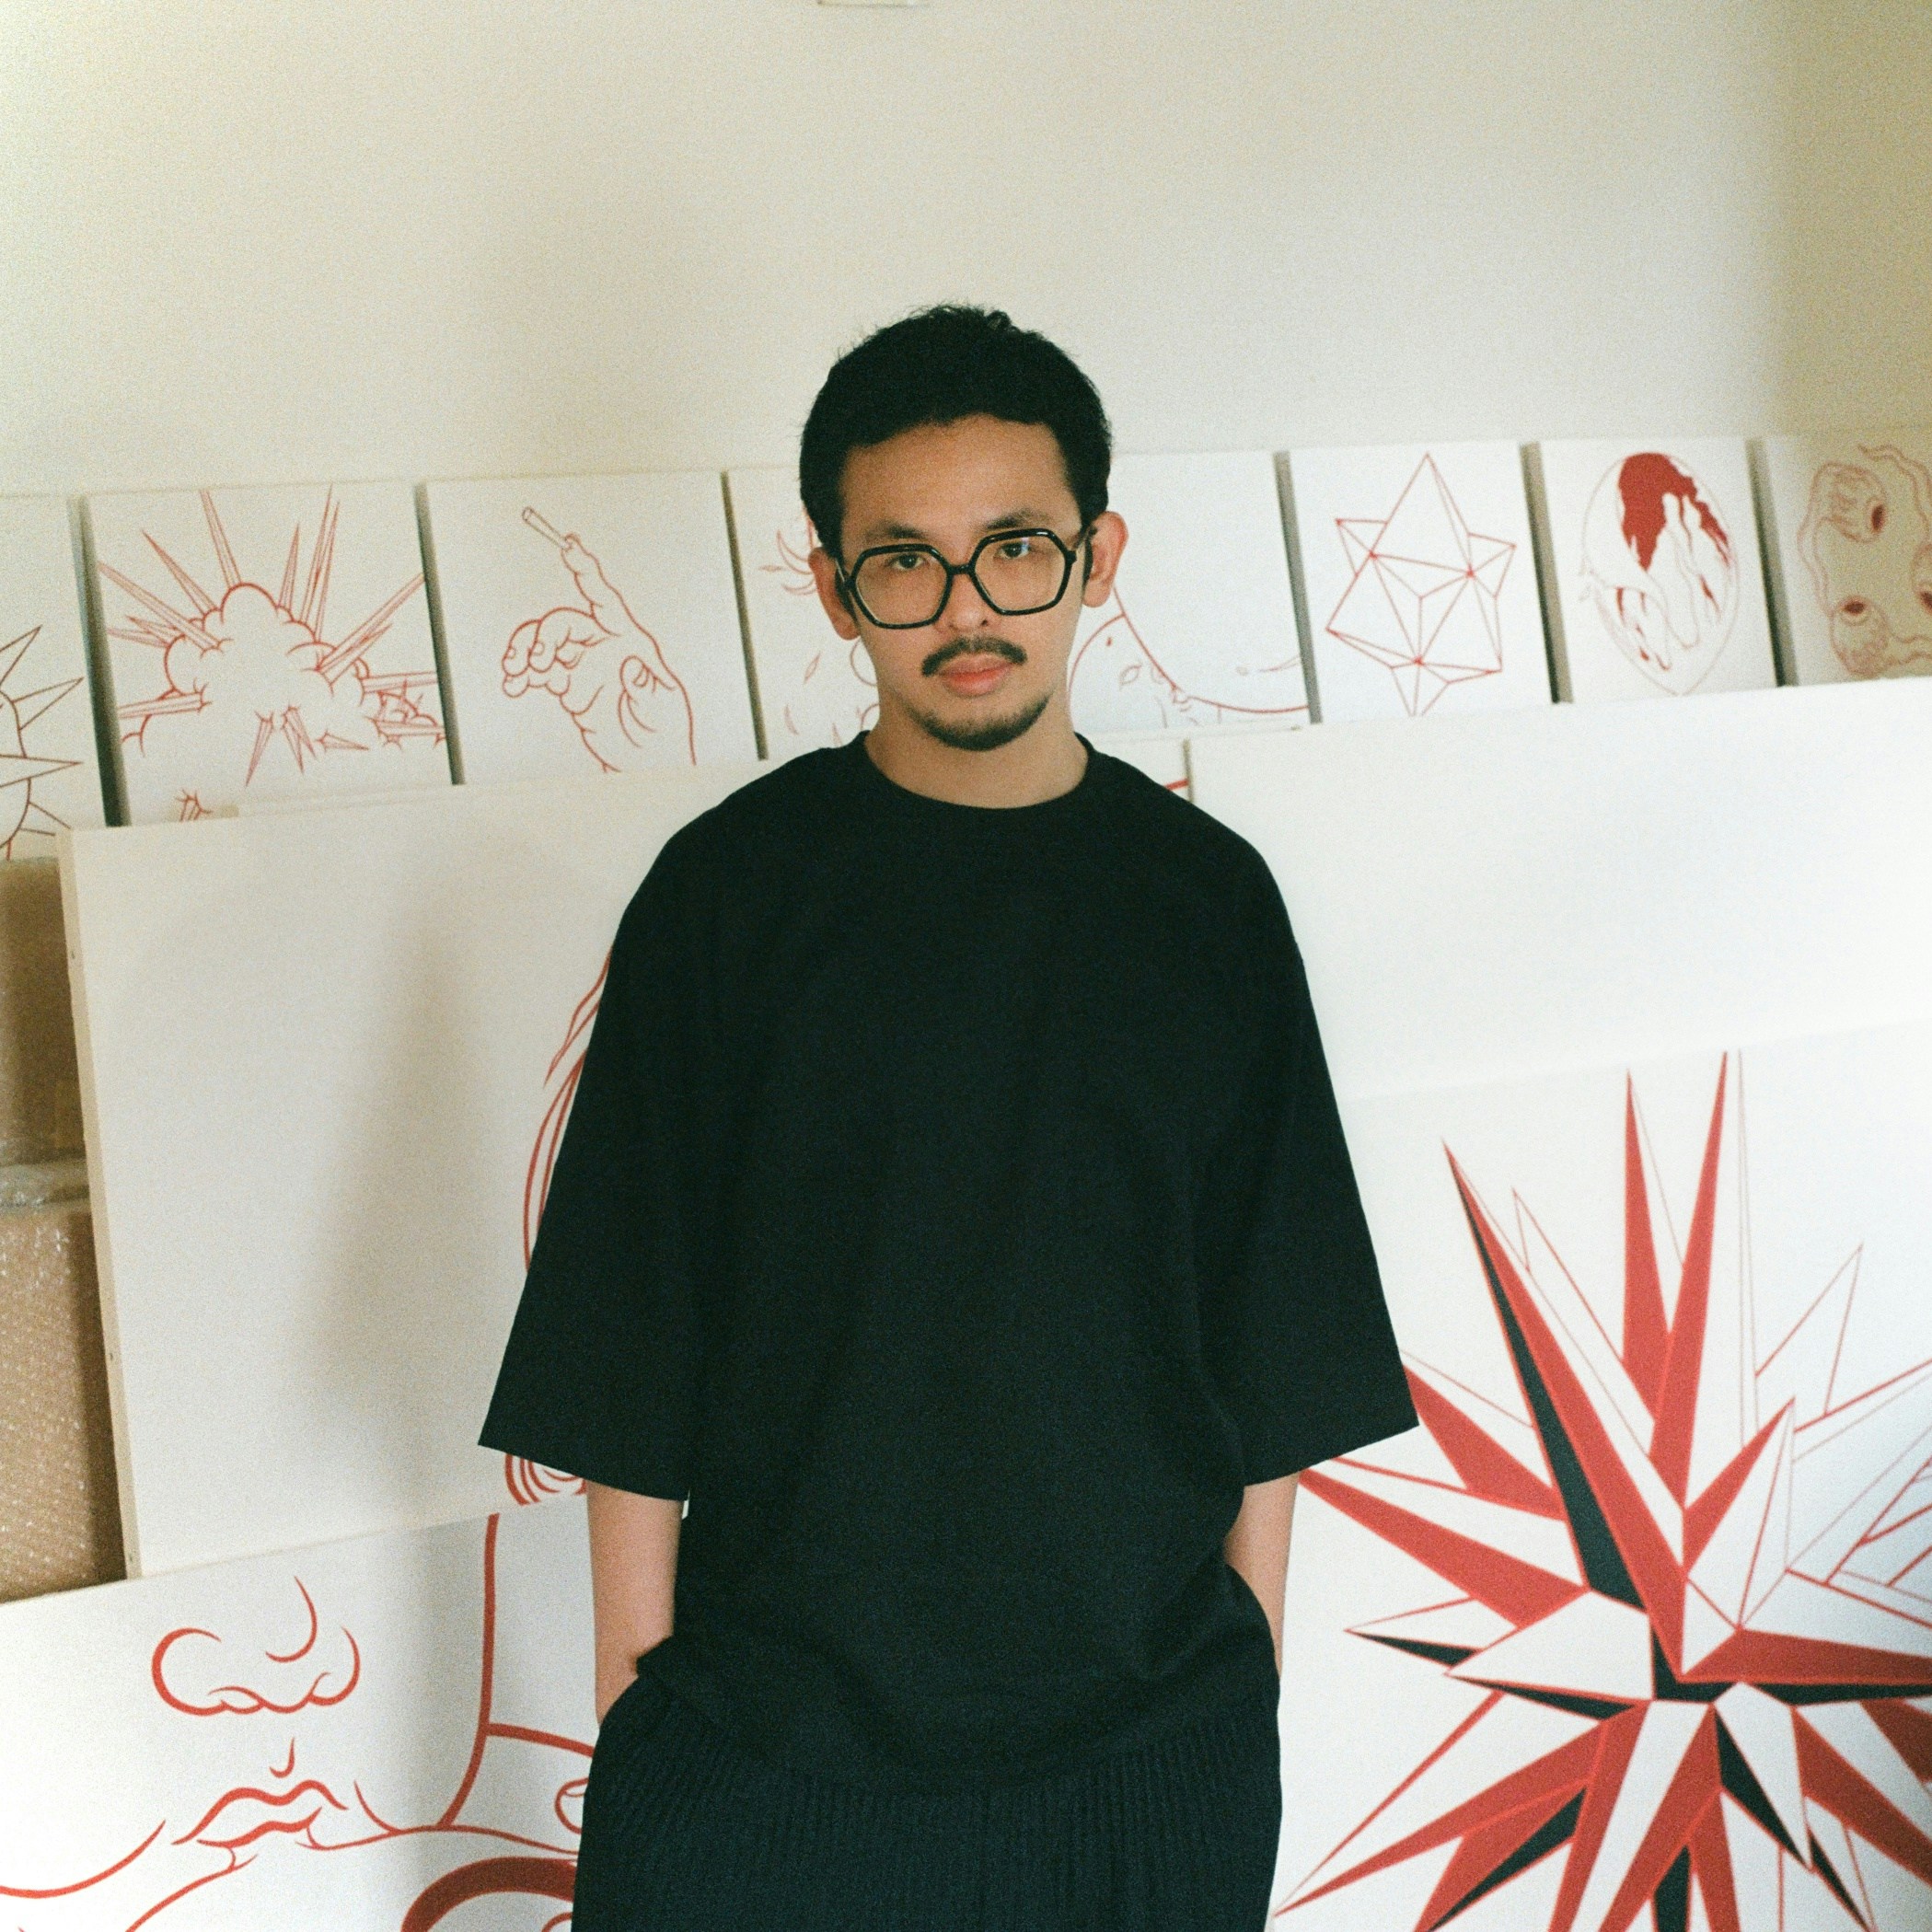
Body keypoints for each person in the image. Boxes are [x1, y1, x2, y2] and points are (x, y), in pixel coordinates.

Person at [480, 305, 1416, 1930]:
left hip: (1146, 1765)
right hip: (762, 1762)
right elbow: (628, 1337)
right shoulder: (727, 896)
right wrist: (645, 1711)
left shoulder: (1207, 905)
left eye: (1016, 550)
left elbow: (1275, 1337)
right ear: (836, 586)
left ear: (1098, 557)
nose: (967, 609)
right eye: (905, 563)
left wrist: (1236, 1697)